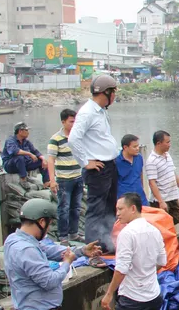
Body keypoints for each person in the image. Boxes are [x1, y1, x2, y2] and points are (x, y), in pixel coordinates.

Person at [68, 74, 121, 253]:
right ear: (106, 92)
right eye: (113, 92)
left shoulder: (101, 111)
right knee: (96, 210)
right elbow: (73, 139)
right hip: (98, 168)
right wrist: (85, 162)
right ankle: (93, 250)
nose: (114, 96)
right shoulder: (87, 112)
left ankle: (106, 244)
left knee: (109, 208)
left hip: (109, 165)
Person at [46, 109, 83, 244]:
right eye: (71, 122)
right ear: (63, 122)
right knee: (64, 208)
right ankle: (63, 236)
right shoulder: (56, 139)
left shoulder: (78, 137)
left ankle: (74, 233)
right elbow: (51, 160)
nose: (74, 124)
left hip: (78, 177)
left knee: (76, 207)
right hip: (64, 179)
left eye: (75, 121)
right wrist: (52, 180)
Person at [146, 130, 179, 225]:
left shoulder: (167, 155)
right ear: (159, 143)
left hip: (173, 197)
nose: (169, 145)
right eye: (167, 142)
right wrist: (161, 202)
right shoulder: (151, 161)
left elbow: (173, 174)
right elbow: (152, 183)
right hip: (161, 200)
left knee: (176, 224)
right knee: (163, 226)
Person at [115, 134, 148, 206]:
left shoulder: (139, 158)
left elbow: (140, 175)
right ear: (125, 147)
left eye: (138, 146)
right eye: (134, 147)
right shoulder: (116, 162)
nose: (137, 148)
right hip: (125, 201)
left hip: (141, 198)